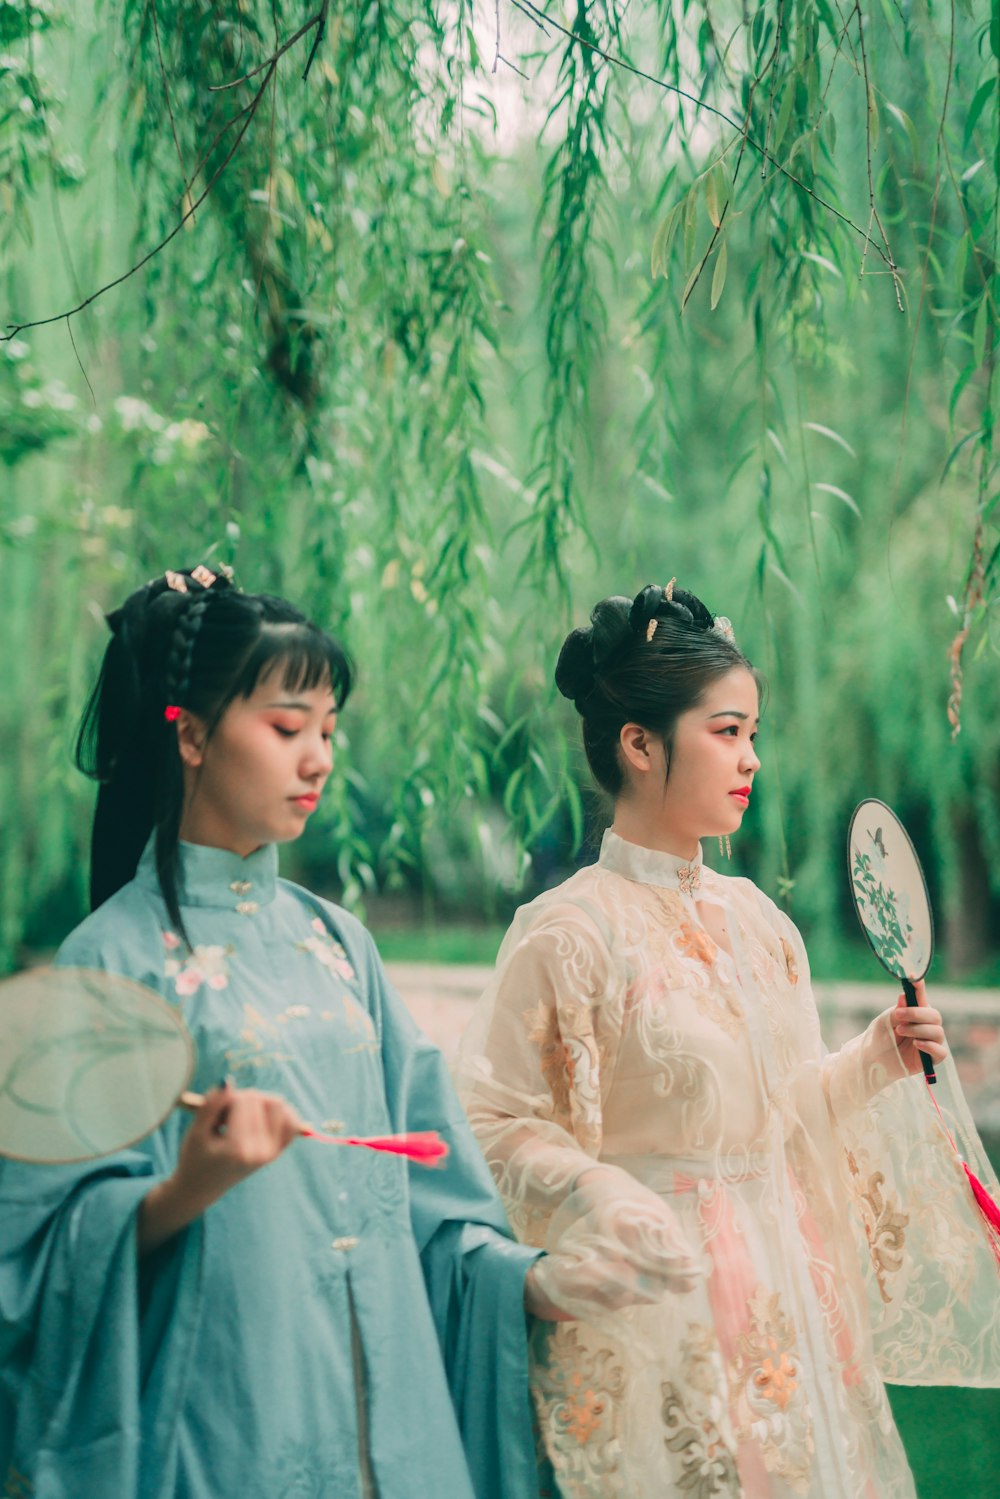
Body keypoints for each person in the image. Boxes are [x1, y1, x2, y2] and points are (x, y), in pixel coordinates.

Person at [0, 564, 550, 1499]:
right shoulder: (111, 963)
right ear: (194, 735)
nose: (319, 758)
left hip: (399, 1421)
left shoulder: (342, 947)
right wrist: (184, 1188)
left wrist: (536, 1283)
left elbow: (436, 1202)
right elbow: (38, 1262)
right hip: (227, 1426)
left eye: (328, 731)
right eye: (288, 726)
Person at [456, 581, 1000, 1499]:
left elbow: (776, 1121)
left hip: (786, 1285)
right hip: (663, 1291)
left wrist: (874, 1059)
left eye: (753, 733)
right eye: (726, 731)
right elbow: (495, 1120)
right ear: (638, 743)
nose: (751, 758)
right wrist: (597, 1188)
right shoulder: (569, 932)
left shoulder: (758, 922)